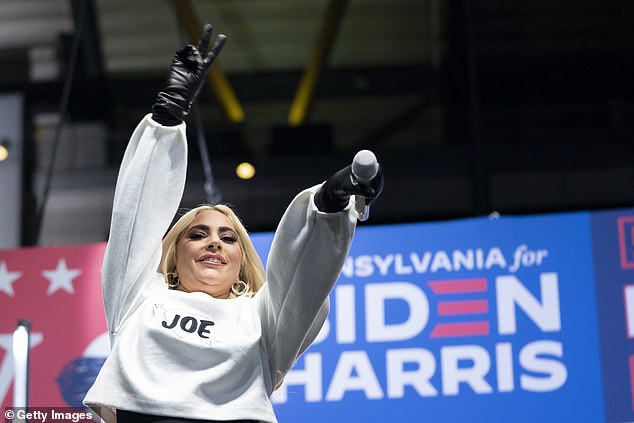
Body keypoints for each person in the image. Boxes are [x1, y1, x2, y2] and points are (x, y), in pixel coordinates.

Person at [83, 23, 383, 423]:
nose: (214, 243)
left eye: (228, 238)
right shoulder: (138, 297)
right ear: (173, 256)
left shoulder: (261, 320)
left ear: (242, 262)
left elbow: (303, 280)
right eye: (198, 233)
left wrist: (328, 205)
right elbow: (134, 216)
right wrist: (167, 117)